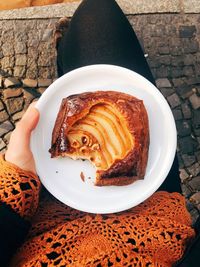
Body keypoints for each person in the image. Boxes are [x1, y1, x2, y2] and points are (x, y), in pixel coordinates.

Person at [0, 0, 200, 266]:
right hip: (153, 224)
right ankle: (66, 53)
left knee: (93, 16)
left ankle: (66, 55)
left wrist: (16, 183)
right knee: (98, 13)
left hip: (39, 223)